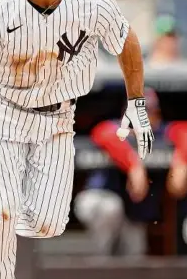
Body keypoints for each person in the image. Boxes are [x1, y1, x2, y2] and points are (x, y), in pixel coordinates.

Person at [0, 0, 154, 279]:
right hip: (4, 112)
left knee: (48, 224)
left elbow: (127, 42)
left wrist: (136, 102)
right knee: (2, 210)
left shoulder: (92, 3)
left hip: (57, 119)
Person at [75, 88, 187, 256]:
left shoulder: (162, 133)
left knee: (135, 255)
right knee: (109, 208)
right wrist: (133, 165)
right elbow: (103, 132)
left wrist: (181, 161)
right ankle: (98, 260)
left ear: (157, 115)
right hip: (100, 203)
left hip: (134, 218)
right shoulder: (115, 130)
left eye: (148, 112)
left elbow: (183, 130)